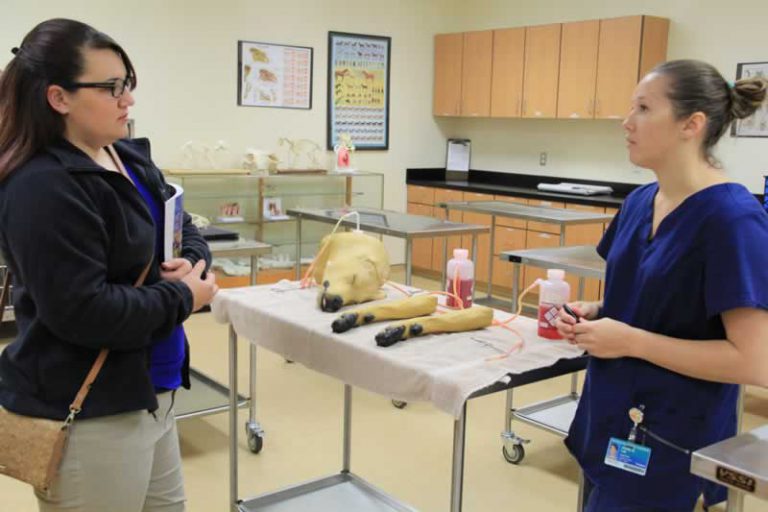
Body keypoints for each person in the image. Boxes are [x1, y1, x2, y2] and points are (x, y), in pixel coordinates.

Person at [0, 18, 218, 511]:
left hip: (155, 391)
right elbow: (83, 311)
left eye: (128, 85)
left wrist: (190, 261)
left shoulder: (126, 156)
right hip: (93, 408)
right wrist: (184, 297)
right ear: (59, 98)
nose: (128, 100)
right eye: (112, 87)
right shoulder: (42, 187)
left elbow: (183, 223)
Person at [556, 59, 768, 511]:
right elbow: (646, 298)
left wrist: (629, 340)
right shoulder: (639, 203)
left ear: (692, 124)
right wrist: (597, 313)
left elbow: (754, 361)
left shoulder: (732, 221)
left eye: (644, 108)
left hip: (673, 438)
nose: (626, 121)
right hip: (610, 417)